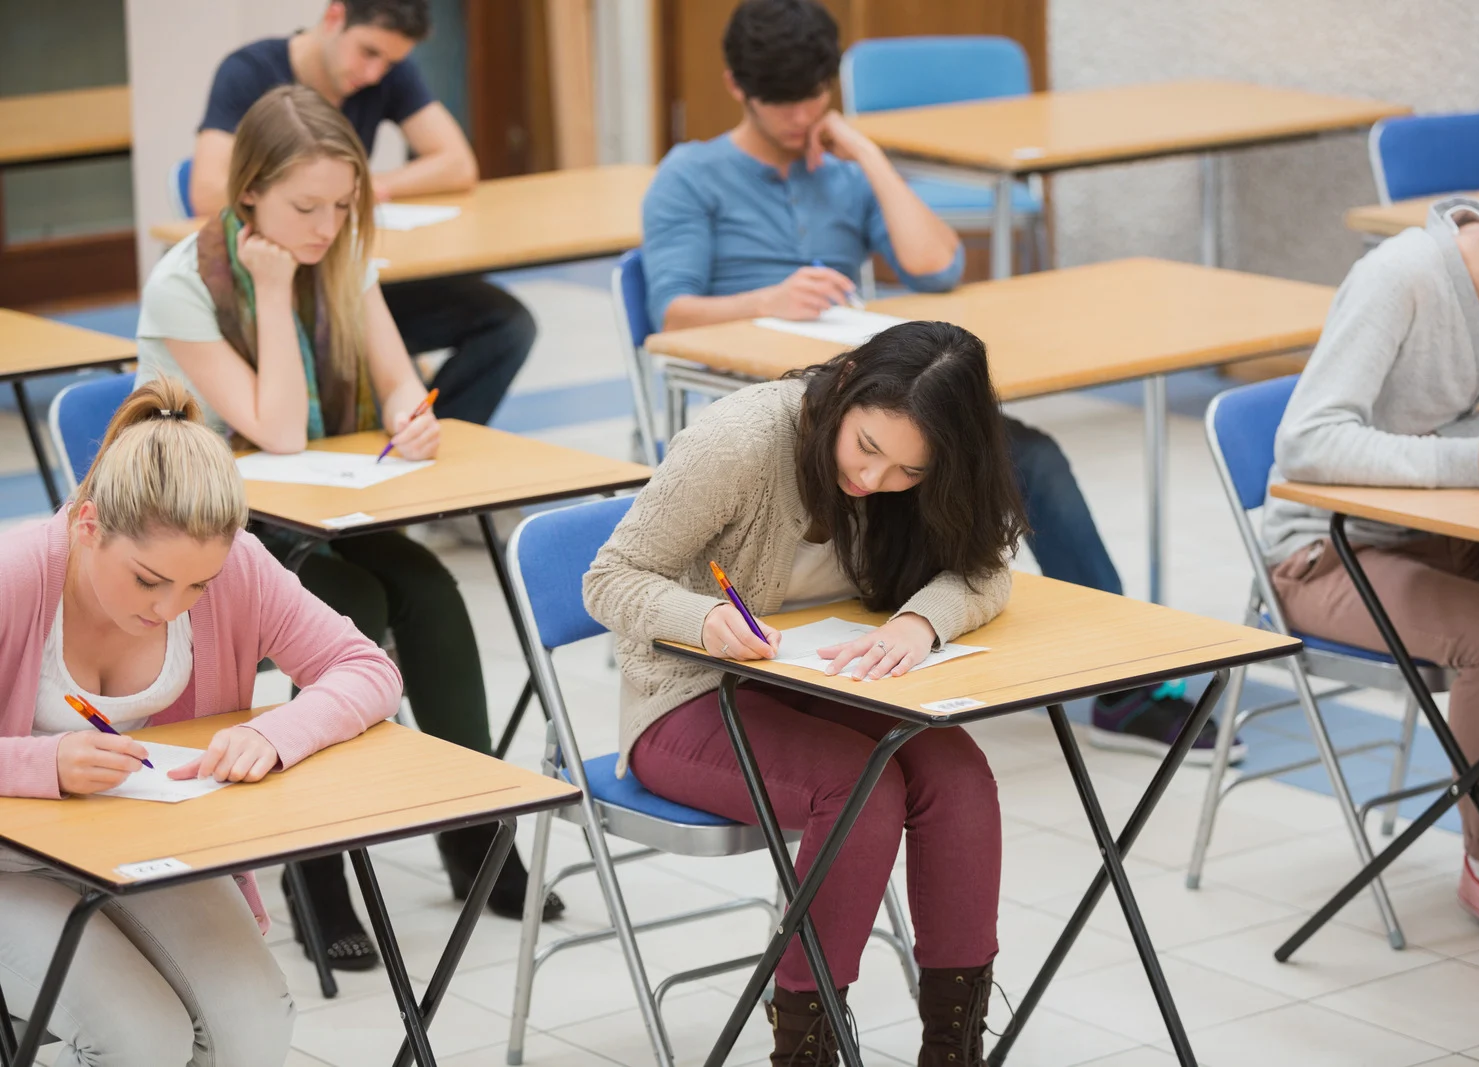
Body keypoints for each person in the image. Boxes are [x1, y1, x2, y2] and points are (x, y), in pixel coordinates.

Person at [641, 0, 1235, 765]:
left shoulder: (840, 172)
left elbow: (940, 264)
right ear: (737, 87)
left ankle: (1124, 691)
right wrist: (765, 300)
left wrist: (866, 152)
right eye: (781, 103)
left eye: (815, 98)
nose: (799, 118)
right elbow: (670, 315)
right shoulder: (691, 176)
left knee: (1033, 459)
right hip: (768, 409)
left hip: (866, 394)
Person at [137, 85, 548, 974]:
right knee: (355, 600)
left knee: (435, 594)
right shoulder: (183, 283)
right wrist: (279, 292)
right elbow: (277, 430)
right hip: (214, 539)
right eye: (305, 208)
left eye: (342, 205)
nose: (327, 228)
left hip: (324, 511)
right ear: (249, 195)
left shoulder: (342, 255)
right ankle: (315, 870)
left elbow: (401, 377)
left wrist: (413, 413)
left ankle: (474, 836)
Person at [586, 320, 1021, 1066]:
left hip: (816, 676)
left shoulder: (924, 462)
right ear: (845, 382)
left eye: (906, 474)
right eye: (868, 450)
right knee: (861, 786)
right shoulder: (741, 443)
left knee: (956, 772)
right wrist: (704, 618)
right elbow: (609, 577)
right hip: (690, 692)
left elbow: (986, 568)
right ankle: (804, 1045)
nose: (874, 482)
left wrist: (922, 621)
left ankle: (954, 1047)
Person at [1263, 123, 1479, 957]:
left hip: (1455, 537)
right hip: (1330, 553)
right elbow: (1306, 442)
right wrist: (1466, 459)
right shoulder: (1401, 279)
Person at [0, 376, 402, 1064]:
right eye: (149, 579)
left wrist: (273, 733)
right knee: (142, 1040)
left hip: (140, 847)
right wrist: (45, 763)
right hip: (11, 862)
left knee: (255, 1026)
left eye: (197, 586)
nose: (169, 607)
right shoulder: (16, 575)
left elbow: (366, 668)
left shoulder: (237, 564)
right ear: (88, 524)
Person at [190, 0, 533, 428]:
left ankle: (420, 437)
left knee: (507, 323)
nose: (374, 73)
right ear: (335, 16)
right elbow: (205, 190)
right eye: (368, 52)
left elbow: (458, 163)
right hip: (273, 278)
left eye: (389, 63)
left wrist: (364, 190)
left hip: (344, 268)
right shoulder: (249, 72)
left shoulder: (386, 71)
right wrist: (296, 200)